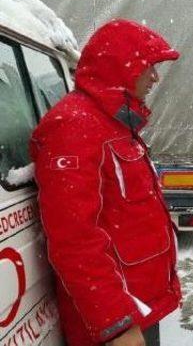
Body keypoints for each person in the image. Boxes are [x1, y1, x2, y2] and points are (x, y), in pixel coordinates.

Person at [30, 19, 181, 346]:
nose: (155, 77)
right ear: (121, 66)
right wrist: (116, 323)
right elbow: (74, 238)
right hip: (114, 327)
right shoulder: (73, 127)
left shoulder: (112, 125)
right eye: (149, 66)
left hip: (137, 307)